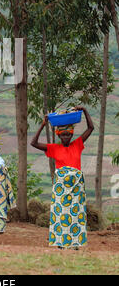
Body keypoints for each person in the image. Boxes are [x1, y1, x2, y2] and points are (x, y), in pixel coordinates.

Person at [30, 106, 94, 249]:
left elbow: (91, 128)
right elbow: (33, 143)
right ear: (59, 136)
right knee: (61, 213)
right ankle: (60, 242)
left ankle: (75, 243)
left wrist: (84, 110)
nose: (66, 137)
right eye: (63, 135)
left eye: (68, 135)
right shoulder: (54, 148)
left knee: (76, 213)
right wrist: (42, 124)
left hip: (76, 187)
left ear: (71, 135)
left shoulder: (77, 145)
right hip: (61, 188)